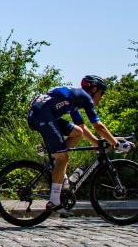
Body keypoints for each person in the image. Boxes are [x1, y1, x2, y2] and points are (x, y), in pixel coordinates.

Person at [27, 75, 134, 214]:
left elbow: (82, 128)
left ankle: (56, 160)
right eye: (101, 94)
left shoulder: (75, 98)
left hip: (44, 114)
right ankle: (54, 201)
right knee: (63, 158)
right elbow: (98, 126)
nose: (101, 98)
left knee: (76, 132)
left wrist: (97, 143)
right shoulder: (85, 97)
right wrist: (116, 144)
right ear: (94, 89)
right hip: (42, 116)